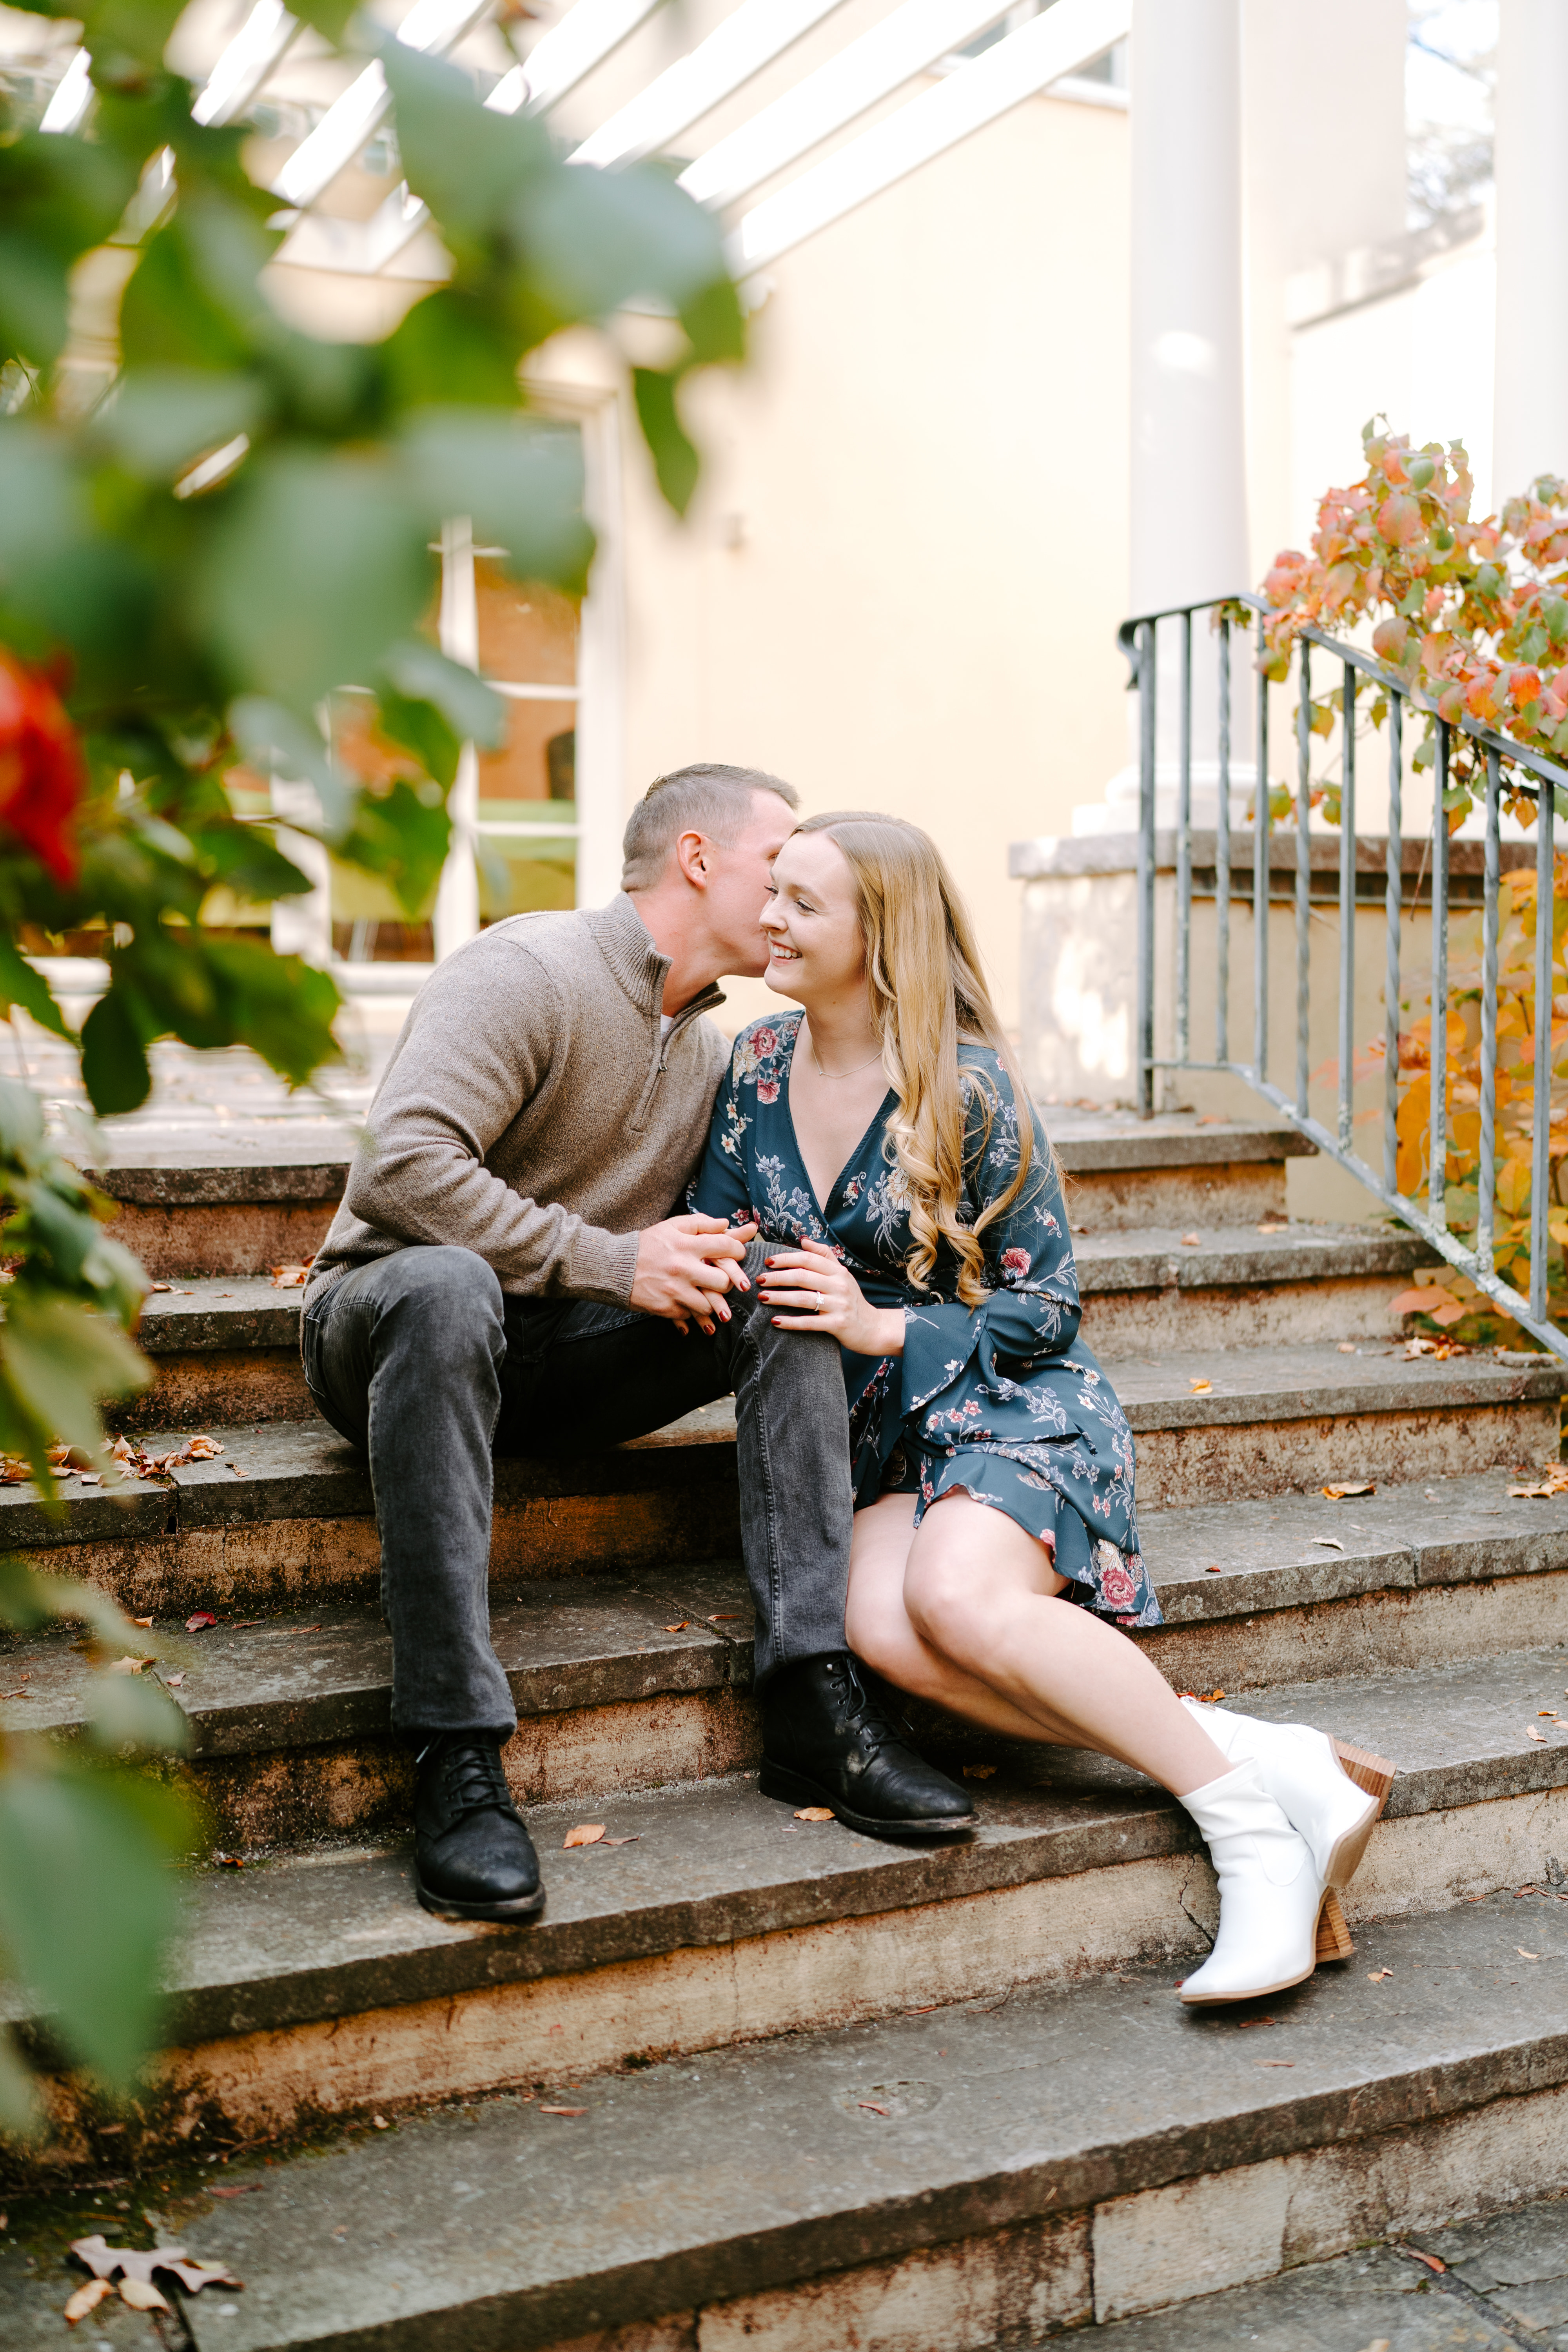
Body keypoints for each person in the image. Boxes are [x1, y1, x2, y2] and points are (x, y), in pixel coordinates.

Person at [690, 811, 1395, 2005]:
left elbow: (1049, 1307)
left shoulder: (968, 1084)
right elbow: (719, 1234)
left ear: (882, 934)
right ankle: (1272, 1760)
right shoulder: (756, 1063)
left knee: (955, 1596)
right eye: (776, 896)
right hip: (875, 1446)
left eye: (805, 904)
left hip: (1010, 1406)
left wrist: (883, 1325)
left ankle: (1251, 1840)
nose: (771, 920)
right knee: (881, 1632)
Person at [300, 765, 975, 1926]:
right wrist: (620, 1263)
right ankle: (454, 1754)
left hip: (555, 1356)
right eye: (779, 869)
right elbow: (401, 1171)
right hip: (389, 1325)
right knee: (453, 1287)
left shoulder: (714, 1051)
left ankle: (813, 1693)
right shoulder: (528, 970)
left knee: (776, 1275)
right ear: (701, 860)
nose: (787, 904)